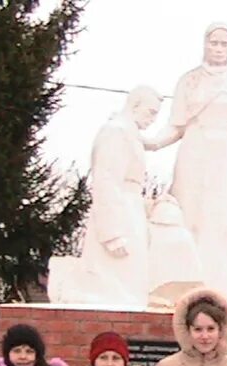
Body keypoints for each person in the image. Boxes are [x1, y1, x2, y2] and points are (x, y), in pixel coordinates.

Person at [145, 23, 227, 309]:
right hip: (195, 154)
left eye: (224, 44)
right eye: (214, 43)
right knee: (190, 221)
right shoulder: (189, 81)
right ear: (205, 45)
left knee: (225, 227)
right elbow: (176, 125)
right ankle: (186, 290)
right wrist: (152, 143)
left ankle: (225, 297)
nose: (219, 49)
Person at [48, 86, 163, 306]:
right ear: (134, 105)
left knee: (131, 294)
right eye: (151, 112)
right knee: (118, 294)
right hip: (118, 218)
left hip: (130, 212)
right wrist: (112, 233)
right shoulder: (116, 132)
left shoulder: (129, 133)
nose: (153, 119)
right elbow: (106, 182)